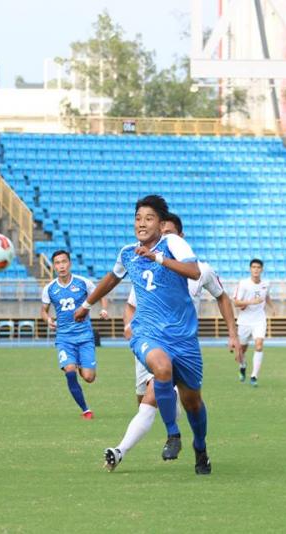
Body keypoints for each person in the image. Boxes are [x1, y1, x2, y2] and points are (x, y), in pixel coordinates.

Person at [75, 195, 212, 475]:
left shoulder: (171, 243)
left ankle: (200, 447)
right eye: (138, 218)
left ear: (161, 224)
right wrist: (87, 305)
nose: (141, 223)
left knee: (193, 402)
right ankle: (173, 433)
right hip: (147, 332)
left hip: (183, 337)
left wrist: (158, 258)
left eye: (149, 218)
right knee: (161, 368)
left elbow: (194, 271)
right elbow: (112, 278)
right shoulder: (128, 253)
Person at [103, 212, 240, 472]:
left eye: (169, 234)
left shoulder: (202, 270)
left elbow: (222, 297)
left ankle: (199, 446)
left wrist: (232, 333)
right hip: (153, 340)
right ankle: (130, 447)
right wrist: (129, 326)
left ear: (181, 237)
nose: (163, 239)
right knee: (147, 399)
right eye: (161, 234)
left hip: (184, 343)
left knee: (193, 403)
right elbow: (131, 305)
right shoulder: (147, 267)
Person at [41, 250, 108, 420]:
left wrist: (103, 309)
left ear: (69, 263)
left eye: (64, 262)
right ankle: (86, 410)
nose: (61, 266)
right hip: (64, 338)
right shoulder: (49, 289)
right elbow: (43, 310)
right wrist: (48, 319)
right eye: (57, 263)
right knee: (70, 371)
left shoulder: (83, 282)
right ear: (54, 266)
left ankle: (79, 364)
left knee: (89, 377)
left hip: (85, 337)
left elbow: (101, 294)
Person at [233, 259, 274, 387]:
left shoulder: (266, 284)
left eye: (258, 267)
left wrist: (272, 307)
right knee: (241, 351)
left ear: (262, 269)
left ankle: (254, 376)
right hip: (244, 321)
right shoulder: (243, 283)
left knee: (259, 345)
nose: (256, 269)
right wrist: (251, 302)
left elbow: (266, 296)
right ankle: (242, 366)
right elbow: (236, 302)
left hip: (259, 320)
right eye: (253, 267)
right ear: (250, 269)